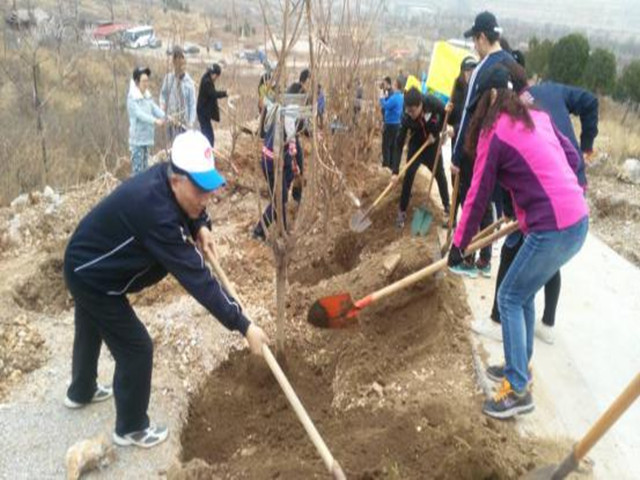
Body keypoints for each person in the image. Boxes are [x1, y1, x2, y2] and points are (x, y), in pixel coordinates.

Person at [63, 131, 270, 447]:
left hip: (87, 262)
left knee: (90, 324)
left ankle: (81, 391)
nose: (206, 198)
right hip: (92, 276)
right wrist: (244, 326)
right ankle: (130, 428)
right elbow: (198, 280)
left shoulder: (167, 181)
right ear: (177, 181)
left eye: (209, 188)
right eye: (200, 189)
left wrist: (201, 225)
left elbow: (190, 209)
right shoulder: (155, 213)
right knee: (137, 349)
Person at [448, 66, 589, 419]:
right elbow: (571, 157)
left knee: (509, 295)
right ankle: (519, 369)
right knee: (521, 293)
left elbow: (479, 192)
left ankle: (517, 390)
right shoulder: (535, 115)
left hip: (554, 226)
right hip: (574, 219)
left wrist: (458, 244)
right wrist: (565, 194)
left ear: (489, 98)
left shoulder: (493, 132)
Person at [480, 54, 599, 344]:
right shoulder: (549, 93)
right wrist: (586, 147)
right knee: (542, 262)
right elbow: (590, 103)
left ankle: (502, 322)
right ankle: (544, 324)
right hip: (569, 187)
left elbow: (517, 169)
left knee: (520, 263)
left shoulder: (520, 112)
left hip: (552, 194)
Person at [394, 87, 450, 229]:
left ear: (420, 105)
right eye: (408, 110)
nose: (410, 113)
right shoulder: (406, 116)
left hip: (432, 144)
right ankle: (402, 211)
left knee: (440, 174)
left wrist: (436, 132)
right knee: (409, 175)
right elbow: (399, 143)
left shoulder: (431, 101)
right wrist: (394, 171)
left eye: (413, 110)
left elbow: (445, 113)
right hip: (416, 145)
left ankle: (447, 208)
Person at [252, 96, 302, 241]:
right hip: (272, 164)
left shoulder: (279, 118)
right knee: (279, 200)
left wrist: (294, 168)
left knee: (282, 196)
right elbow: (293, 153)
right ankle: (259, 231)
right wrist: (296, 168)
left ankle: (283, 227)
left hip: (271, 161)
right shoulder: (288, 131)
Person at [127, 66, 165, 175]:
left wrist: (165, 116)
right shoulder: (132, 98)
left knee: (145, 170)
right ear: (136, 82)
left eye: (147, 81)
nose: (146, 84)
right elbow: (139, 115)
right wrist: (155, 121)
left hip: (147, 138)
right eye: (143, 81)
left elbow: (153, 108)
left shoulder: (147, 95)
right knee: (138, 171)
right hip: (137, 140)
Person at [160, 46, 196, 142]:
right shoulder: (168, 79)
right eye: (177, 63)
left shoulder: (189, 83)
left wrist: (191, 122)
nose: (180, 67)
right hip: (171, 120)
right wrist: (162, 109)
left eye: (182, 63)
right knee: (173, 147)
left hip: (184, 123)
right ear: (174, 63)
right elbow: (163, 96)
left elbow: (192, 104)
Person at [197, 63, 227, 148]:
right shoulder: (207, 82)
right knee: (209, 136)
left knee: (208, 135)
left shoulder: (207, 78)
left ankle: (207, 151)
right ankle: (207, 152)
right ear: (214, 74)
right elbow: (213, 94)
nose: (216, 79)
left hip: (204, 112)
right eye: (216, 77)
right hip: (203, 114)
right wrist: (226, 93)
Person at [379, 77, 403, 171]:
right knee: (393, 145)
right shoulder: (401, 97)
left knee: (386, 145)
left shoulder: (395, 97)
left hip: (390, 124)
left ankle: (386, 165)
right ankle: (392, 165)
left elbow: (386, 105)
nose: (392, 85)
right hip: (397, 123)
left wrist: (381, 98)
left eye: (394, 84)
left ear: (396, 86)